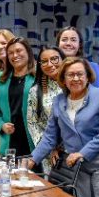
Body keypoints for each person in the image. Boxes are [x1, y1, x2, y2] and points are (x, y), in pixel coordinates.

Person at [29, 57, 99, 197]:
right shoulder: (59, 101)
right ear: (63, 79)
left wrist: (82, 153)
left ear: (88, 76)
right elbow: (50, 136)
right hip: (77, 166)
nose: (76, 78)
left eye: (80, 74)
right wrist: (32, 159)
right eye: (70, 75)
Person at [0, 37, 36, 157]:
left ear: (28, 52)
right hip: (9, 143)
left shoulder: (39, 77)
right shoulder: (0, 78)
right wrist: (1, 125)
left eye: (19, 51)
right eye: (10, 53)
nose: (15, 55)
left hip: (34, 143)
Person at [26, 45, 64, 174]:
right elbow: (32, 122)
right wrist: (49, 148)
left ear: (63, 59)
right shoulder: (35, 91)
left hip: (73, 149)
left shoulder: (73, 85)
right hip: (48, 153)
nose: (50, 64)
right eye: (44, 61)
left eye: (54, 59)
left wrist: (61, 146)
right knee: (52, 184)